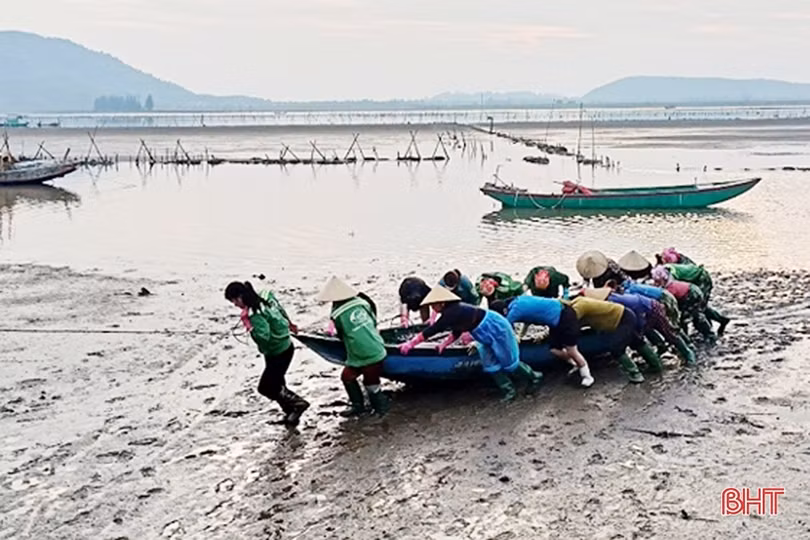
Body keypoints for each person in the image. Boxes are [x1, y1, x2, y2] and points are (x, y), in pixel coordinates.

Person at [399, 287, 542, 401]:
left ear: (441, 303)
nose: (433, 309)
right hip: (480, 332)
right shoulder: (452, 312)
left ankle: (534, 376)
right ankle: (508, 390)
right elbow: (457, 330)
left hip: (495, 327)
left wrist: (411, 343)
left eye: (433, 305)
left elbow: (433, 330)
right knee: (489, 363)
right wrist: (445, 343)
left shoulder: (453, 311)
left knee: (508, 360)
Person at [225, 281, 310, 426]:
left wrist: (249, 327)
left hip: (277, 351)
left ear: (240, 297)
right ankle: (291, 413)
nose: (235, 304)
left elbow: (264, 338)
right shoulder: (265, 297)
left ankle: (298, 404)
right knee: (278, 383)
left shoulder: (254, 314)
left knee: (266, 387)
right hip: (285, 344)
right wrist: (290, 323)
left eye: (234, 300)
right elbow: (280, 310)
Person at [318, 276, 389, 417]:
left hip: (368, 353)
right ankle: (358, 406)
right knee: (347, 377)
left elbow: (341, 334)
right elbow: (373, 321)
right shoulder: (363, 302)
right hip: (371, 347)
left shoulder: (337, 313)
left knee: (371, 383)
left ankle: (381, 409)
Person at [490, 296, 594, 387]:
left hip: (564, 317)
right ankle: (575, 363)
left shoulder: (515, 311)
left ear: (504, 311)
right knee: (554, 349)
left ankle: (587, 376)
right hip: (556, 320)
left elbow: (504, 329)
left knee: (571, 350)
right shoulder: (517, 302)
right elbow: (527, 320)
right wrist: (520, 336)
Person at [585, 287, 696, 366]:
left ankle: (688, 353)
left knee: (668, 333)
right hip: (643, 310)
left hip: (651, 309)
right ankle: (661, 349)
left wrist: (640, 327)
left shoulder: (613, 302)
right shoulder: (612, 298)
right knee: (648, 331)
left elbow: (634, 312)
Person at [568, 296, 645, 383]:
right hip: (625, 315)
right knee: (636, 341)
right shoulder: (579, 301)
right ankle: (656, 366)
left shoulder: (579, 307)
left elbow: (570, 323)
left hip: (621, 320)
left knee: (616, 348)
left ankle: (636, 374)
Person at [651, 266, 716, 341]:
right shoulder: (668, 284)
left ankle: (707, 335)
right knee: (694, 315)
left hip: (692, 295)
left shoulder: (670, 289)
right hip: (691, 292)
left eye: (657, 281)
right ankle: (705, 333)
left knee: (688, 318)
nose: (656, 283)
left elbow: (671, 306)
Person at [663, 263, 731, 335]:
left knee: (697, 311)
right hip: (693, 285)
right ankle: (720, 320)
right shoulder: (665, 270)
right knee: (701, 307)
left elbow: (673, 290)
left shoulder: (670, 275)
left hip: (701, 280)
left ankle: (709, 333)